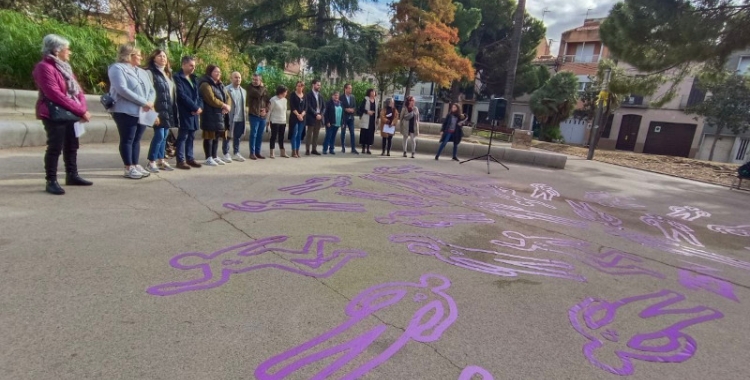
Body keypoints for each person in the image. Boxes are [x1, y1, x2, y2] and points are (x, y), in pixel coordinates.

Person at [32, 34, 93, 195]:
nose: (70, 52)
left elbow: (78, 91)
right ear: (57, 50)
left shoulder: (64, 67)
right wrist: (80, 110)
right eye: (67, 49)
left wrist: (83, 108)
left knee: (72, 145)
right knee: (55, 147)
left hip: (71, 113)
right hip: (54, 113)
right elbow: (54, 94)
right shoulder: (44, 67)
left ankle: (72, 175)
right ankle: (51, 180)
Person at [108, 43, 155, 179]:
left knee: (137, 139)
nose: (141, 58)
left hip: (144, 110)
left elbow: (152, 90)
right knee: (128, 138)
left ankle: (135, 163)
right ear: (131, 55)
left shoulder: (142, 72)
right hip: (125, 110)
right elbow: (122, 89)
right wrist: (143, 102)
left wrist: (150, 102)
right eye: (139, 55)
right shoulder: (117, 68)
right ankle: (128, 167)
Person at [144, 49, 177, 173]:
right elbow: (148, 92)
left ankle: (161, 159)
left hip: (167, 109)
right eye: (160, 56)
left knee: (164, 136)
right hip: (156, 108)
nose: (163, 58)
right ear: (154, 58)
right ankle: (151, 161)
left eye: (164, 56)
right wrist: (152, 111)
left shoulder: (167, 74)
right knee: (159, 135)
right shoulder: (150, 73)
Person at [173, 56, 203, 170]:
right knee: (183, 136)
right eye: (191, 65)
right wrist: (194, 107)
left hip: (195, 112)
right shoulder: (178, 77)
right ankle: (180, 160)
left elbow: (199, 95)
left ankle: (190, 158)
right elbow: (181, 95)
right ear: (183, 65)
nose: (193, 68)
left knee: (191, 136)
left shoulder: (194, 78)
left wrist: (199, 107)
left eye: (194, 66)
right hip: (185, 111)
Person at [198, 65, 231, 166]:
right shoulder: (205, 84)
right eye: (216, 72)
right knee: (209, 137)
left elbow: (228, 97)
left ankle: (215, 156)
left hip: (219, 115)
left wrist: (227, 106)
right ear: (210, 72)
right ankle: (208, 157)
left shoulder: (220, 84)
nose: (218, 74)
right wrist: (223, 105)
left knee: (217, 136)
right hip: (209, 115)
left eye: (219, 72)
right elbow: (211, 99)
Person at [225, 71, 248, 162]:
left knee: (237, 136)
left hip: (240, 117)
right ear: (231, 78)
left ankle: (236, 152)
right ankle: (226, 153)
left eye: (239, 77)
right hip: (230, 117)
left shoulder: (244, 91)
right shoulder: (226, 89)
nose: (238, 79)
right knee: (227, 136)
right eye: (235, 77)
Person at [246, 73, 268, 160]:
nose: (254, 81)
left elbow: (268, 101)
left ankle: (257, 152)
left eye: (256, 80)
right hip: (254, 114)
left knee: (260, 135)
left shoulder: (264, 89)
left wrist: (266, 110)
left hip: (263, 116)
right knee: (253, 134)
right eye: (253, 79)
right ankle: (252, 153)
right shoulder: (250, 88)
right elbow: (258, 94)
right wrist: (263, 87)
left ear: (260, 80)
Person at [267, 85, 289, 158]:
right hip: (275, 120)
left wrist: (285, 120)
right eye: (285, 92)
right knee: (273, 136)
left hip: (283, 121)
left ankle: (282, 152)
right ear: (281, 92)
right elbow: (269, 111)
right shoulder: (273, 100)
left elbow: (285, 111)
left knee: (281, 137)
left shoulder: (285, 100)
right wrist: (268, 121)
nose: (286, 93)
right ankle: (272, 152)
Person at [305, 79, 326, 155]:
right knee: (309, 134)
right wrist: (316, 114)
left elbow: (324, 107)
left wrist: (321, 114)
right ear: (313, 85)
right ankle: (307, 149)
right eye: (317, 85)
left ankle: (314, 149)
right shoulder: (308, 95)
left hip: (319, 118)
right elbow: (309, 106)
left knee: (316, 134)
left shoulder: (320, 95)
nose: (319, 86)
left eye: (320, 85)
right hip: (311, 117)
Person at [288, 81, 306, 158]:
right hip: (294, 117)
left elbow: (306, 107)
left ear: (303, 87)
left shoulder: (305, 96)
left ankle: (298, 150)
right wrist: (298, 114)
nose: (299, 87)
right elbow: (292, 106)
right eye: (298, 86)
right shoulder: (292, 95)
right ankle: (293, 151)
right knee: (294, 134)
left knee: (299, 134)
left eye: (301, 86)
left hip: (302, 118)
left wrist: (302, 114)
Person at [339, 83, 358, 154]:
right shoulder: (341, 97)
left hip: (351, 117)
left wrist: (353, 110)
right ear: (345, 89)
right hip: (344, 117)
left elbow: (355, 106)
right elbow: (340, 106)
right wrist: (345, 109)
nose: (350, 90)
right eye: (349, 88)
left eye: (351, 88)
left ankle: (353, 148)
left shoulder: (353, 97)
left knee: (352, 133)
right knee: (343, 133)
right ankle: (343, 148)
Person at [358, 88, 377, 154]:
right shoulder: (365, 100)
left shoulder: (376, 101)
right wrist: (367, 111)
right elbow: (361, 108)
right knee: (364, 133)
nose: (373, 93)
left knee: (370, 134)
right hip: (366, 119)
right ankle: (363, 148)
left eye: (374, 92)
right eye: (372, 92)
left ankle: (368, 148)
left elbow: (378, 110)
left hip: (372, 120)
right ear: (369, 92)